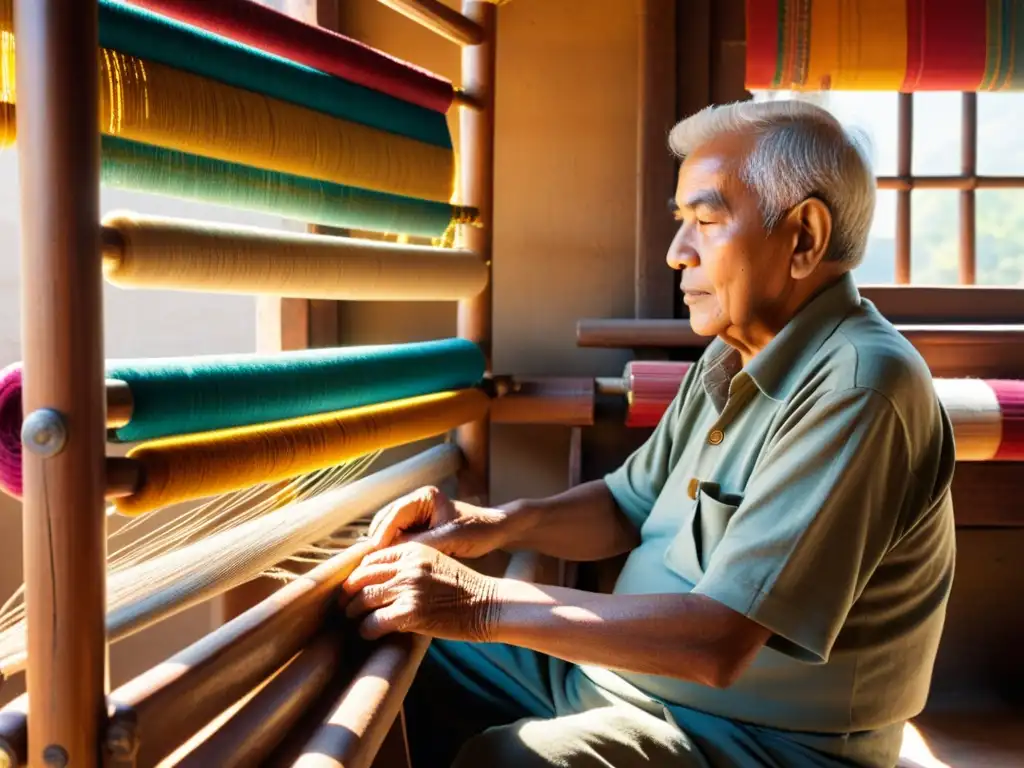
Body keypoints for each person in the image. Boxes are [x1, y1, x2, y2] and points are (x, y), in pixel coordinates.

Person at [340, 99, 957, 768]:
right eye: (678, 222)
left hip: (759, 743)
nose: (676, 252)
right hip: (612, 683)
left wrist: (481, 602)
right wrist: (493, 524)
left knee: (510, 763)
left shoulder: (859, 387)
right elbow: (622, 507)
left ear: (804, 237)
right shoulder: (731, 354)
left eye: (706, 220)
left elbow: (717, 642)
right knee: (388, 655)